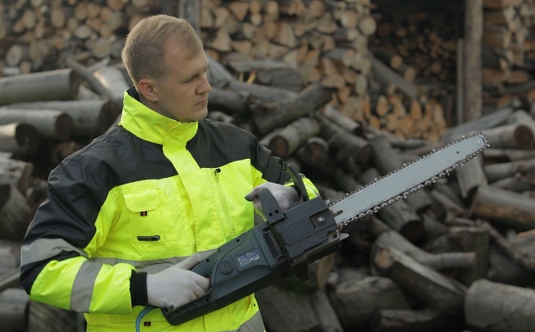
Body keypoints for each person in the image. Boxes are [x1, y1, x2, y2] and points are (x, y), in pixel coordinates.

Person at [19, 14, 319, 332]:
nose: (206, 87)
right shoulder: (95, 171)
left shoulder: (236, 146)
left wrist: (296, 197)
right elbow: (41, 270)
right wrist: (143, 287)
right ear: (149, 89)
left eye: (204, 71)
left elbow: (303, 192)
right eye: (190, 79)